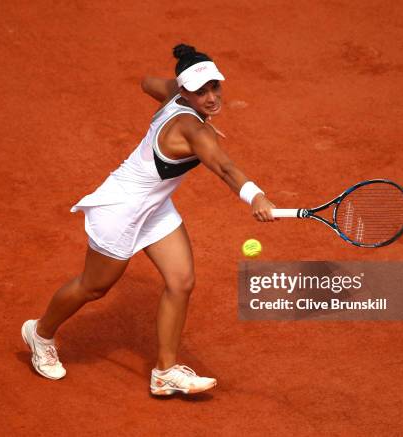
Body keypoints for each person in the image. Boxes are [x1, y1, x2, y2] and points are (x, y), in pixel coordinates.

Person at [22, 44, 276, 396]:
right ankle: (40, 333)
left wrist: (179, 95)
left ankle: (165, 372)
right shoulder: (193, 130)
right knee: (95, 286)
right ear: (187, 91)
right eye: (201, 91)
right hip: (121, 208)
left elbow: (147, 83)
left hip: (154, 207)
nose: (212, 97)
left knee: (181, 281)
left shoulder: (177, 94)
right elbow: (224, 167)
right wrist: (256, 196)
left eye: (214, 87)